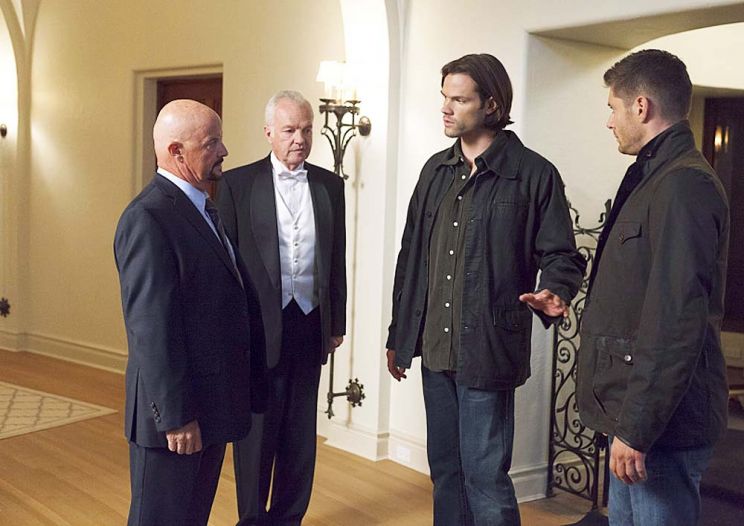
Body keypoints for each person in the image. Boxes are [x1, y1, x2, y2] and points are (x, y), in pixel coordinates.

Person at [385, 54, 586, 526]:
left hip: (489, 350)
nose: (446, 108)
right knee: (446, 473)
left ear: (491, 104)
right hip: (435, 350)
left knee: (485, 478)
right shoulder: (434, 171)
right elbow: (411, 257)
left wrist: (555, 289)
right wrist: (400, 334)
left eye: (459, 99)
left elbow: (562, 254)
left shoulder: (534, 174)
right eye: (444, 97)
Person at [576, 49, 730, 526]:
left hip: (660, 426)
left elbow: (675, 319)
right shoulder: (654, 176)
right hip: (635, 416)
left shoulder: (683, 184)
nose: (609, 121)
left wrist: (637, 428)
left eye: (613, 107)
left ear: (641, 107)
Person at [114, 99, 266, 525]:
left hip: (211, 407)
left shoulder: (202, 207)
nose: (224, 151)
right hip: (177, 420)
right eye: (212, 142)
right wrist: (178, 417)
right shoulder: (148, 217)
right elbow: (152, 330)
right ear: (176, 152)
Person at [217, 90, 346, 526]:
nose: (300, 139)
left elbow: (337, 259)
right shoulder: (236, 185)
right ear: (269, 132)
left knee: (299, 436)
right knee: (256, 435)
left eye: (307, 130)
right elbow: (226, 269)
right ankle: (252, 520)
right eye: (290, 130)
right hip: (257, 330)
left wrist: (336, 322)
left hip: (310, 324)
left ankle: (290, 518)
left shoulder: (330, 186)